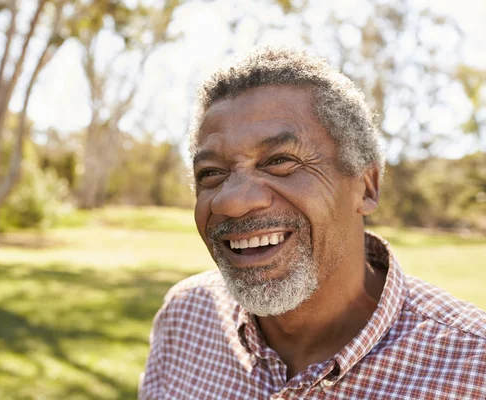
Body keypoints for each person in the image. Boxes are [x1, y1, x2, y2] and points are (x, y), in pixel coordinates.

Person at [139, 47, 486, 399]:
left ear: (366, 188)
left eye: (280, 161)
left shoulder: (472, 368)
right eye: (211, 173)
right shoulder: (185, 317)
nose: (232, 201)